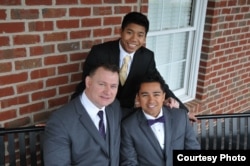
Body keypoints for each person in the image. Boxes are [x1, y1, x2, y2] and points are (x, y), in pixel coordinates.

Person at [71, 11, 197, 121]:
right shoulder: (100, 52)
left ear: (145, 37)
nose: (134, 39)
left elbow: (160, 83)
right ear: (121, 31)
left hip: (126, 115)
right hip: (99, 111)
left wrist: (184, 111)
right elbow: (85, 86)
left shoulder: (146, 57)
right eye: (129, 32)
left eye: (140, 35)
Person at [43, 64, 122, 166]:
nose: (108, 92)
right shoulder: (60, 121)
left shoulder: (114, 107)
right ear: (88, 82)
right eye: (102, 84)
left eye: (113, 86)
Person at [120, 72, 200, 166]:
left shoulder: (181, 117)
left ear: (163, 96)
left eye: (156, 94)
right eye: (145, 95)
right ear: (138, 98)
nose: (151, 100)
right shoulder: (128, 127)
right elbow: (129, 163)